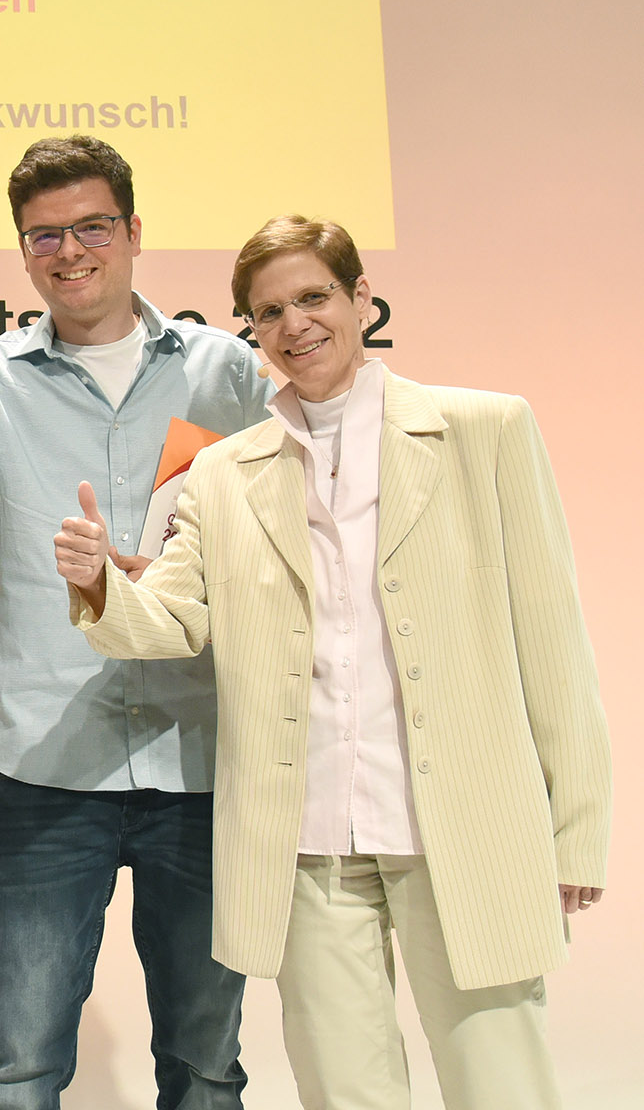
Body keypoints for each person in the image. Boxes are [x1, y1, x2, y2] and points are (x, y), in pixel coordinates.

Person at [57, 215, 612, 1110]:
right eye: (268, 311)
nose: (294, 324)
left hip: (461, 830)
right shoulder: (224, 471)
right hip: (308, 840)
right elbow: (169, 622)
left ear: (362, 299)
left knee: (502, 1084)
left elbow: (552, 642)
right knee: (345, 1094)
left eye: (314, 296)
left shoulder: (487, 429)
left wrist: (576, 827)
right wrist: (97, 585)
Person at [0, 136, 268, 1110]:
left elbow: (294, 517)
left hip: (202, 756)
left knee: (206, 1066)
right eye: (43, 235)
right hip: (52, 764)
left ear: (134, 233)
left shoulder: (224, 372)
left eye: (92, 226)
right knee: (19, 1063)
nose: (70, 251)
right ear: (23, 252)